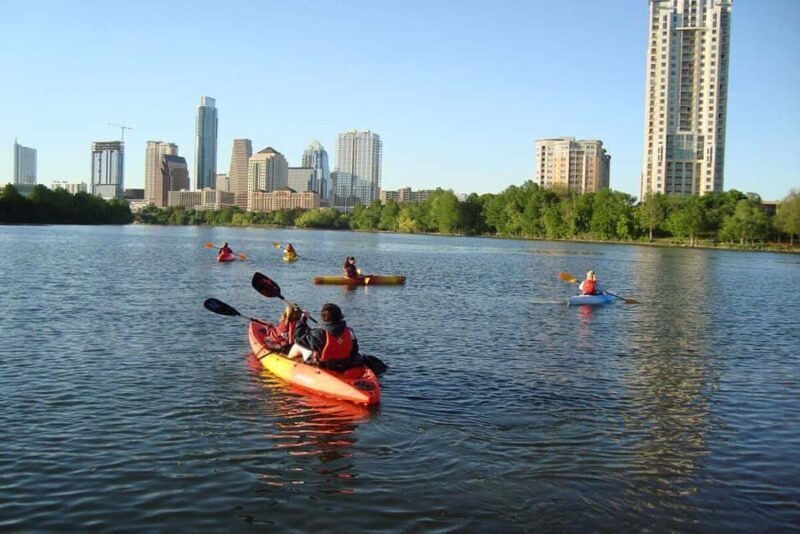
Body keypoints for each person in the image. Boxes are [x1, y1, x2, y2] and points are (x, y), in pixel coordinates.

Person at [288, 303, 362, 372]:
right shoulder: (350, 331)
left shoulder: (319, 333)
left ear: (323, 317)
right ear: (340, 315)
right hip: (345, 364)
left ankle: (287, 362)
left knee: (297, 345)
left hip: (324, 366)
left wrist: (302, 320)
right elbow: (354, 349)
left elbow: (297, 338)